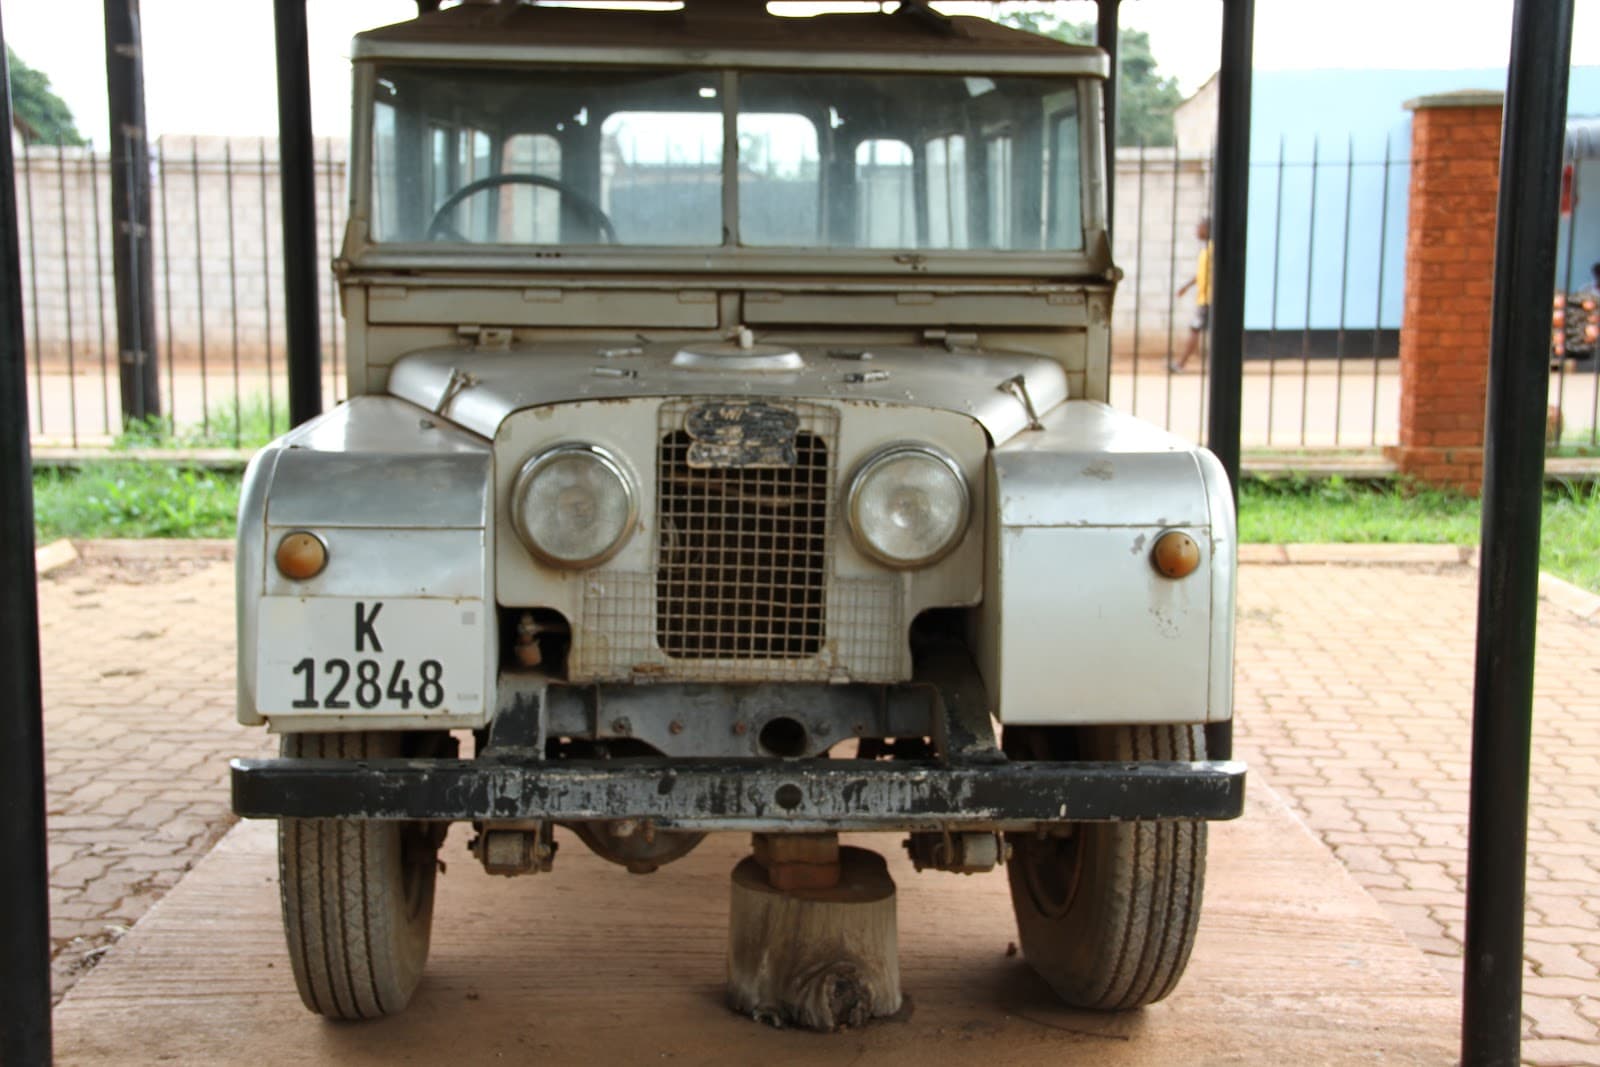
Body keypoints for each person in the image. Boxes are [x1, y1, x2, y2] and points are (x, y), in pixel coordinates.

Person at [1172, 217, 1213, 373]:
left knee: (1195, 330)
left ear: (1208, 230)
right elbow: (1201, 274)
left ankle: (1181, 364)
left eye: (1199, 227)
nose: (1197, 230)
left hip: (1208, 300)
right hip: (1203, 298)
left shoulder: (1211, 250)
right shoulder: (1205, 249)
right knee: (1196, 330)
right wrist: (1186, 287)